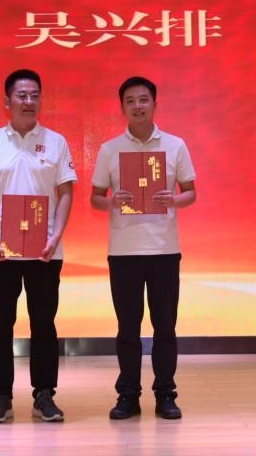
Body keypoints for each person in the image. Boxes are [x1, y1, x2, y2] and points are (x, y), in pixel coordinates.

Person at [0, 68, 77, 424]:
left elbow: (65, 192)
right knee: (1, 325)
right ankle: (0, 397)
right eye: (21, 95)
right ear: (7, 101)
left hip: (45, 250)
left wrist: (56, 236)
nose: (29, 101)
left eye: (34, 95)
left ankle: (44, 394)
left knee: (44, 323)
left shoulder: (56, 142)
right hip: (0, 250)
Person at [90, 76, 197, 421]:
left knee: (165, 326)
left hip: (164, 249)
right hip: (124, 252)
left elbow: (191, 192)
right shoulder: (109, 149)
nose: (138, 106)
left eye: (144, 100)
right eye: (131, 101)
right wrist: (112, 202)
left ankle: (165, 394)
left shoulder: (175, 145)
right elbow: (95, 198)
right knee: (128, 328)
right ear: (122, 107)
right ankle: (128, 395)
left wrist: (174, 200)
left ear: (154, 104)